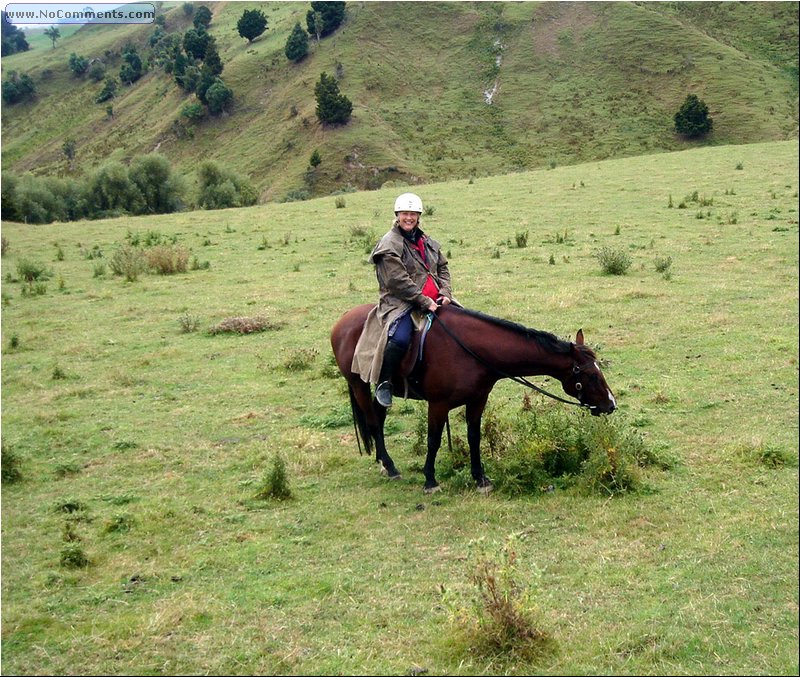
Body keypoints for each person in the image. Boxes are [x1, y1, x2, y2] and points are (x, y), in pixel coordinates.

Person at [363, 192, 453, 407]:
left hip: (434, 298)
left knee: (464, 326)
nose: (409, 218)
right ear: (397, 215)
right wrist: (424, 301)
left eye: (413, 214)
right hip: (400, 303)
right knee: (400, 338)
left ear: (419, 216)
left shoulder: (426, 241)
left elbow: (442, 268)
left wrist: (446, 293)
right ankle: (384, 383)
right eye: (405, 213)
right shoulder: (389, 244)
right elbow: (397, 281)